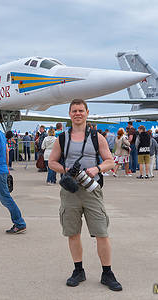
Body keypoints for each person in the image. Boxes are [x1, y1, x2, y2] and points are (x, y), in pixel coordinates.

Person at [49, 99, 122, 292]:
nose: (78, 114)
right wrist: (65, 169)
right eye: (74, 111)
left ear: (87, 113)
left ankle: (107, 273)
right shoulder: (62, 138)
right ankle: (78, 270)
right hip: (70, 190)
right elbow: (51, 162)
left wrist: (96, 169)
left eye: (81, 110)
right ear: (70, 114)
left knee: (101, 232)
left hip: (92, 189)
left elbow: (110, 161)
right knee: (72, 232)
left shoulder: (97, 138)